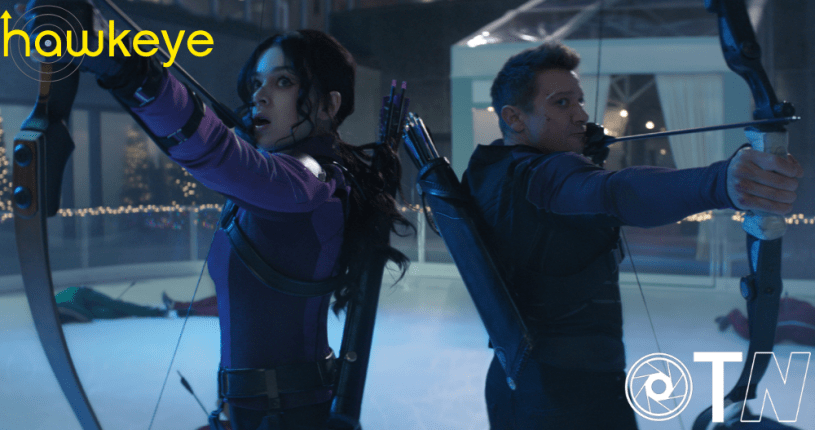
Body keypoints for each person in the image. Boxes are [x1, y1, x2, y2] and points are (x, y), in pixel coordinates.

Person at [20, 2, 410, 429]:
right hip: (257, 411)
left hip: (285, 416)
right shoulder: (285, 181)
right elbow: (207, 148)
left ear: (328, 106)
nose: (260, 95)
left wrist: (122, 63)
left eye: (283, 81)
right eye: (257, 82)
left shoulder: (310, 182)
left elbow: (216, 152)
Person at [461, 41, 802, 429]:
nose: (581, 114)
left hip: (519, 382)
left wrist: (586, 159)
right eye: (562, 103)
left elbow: (547, 214)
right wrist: (720, 182)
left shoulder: (489, 168)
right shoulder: (544, 175)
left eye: (579, 101)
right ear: (514, 117)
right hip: (566, 398)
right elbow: (614, 193)